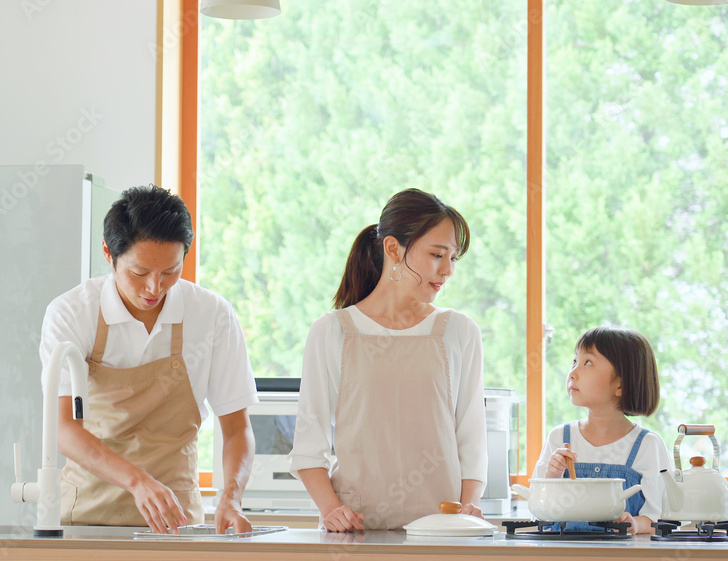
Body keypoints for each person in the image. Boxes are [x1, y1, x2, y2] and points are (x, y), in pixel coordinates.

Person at [39, 185, 258, 534]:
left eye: (170, 271)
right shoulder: (72, 312)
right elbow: (64, 429)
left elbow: (236, 429)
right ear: (108, 253)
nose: (154, 288)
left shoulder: (212, 314)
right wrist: (138, 481)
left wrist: (230, 498)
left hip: (176, 523)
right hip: (87, 518)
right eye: (139, 273)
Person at [289, 188, 488, 532]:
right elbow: (309, 446)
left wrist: (469, 508)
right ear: (393, 249)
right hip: (354, 535)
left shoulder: (460, 332)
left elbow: (471, 438)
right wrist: (332, 510)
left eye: (453, 258)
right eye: (437, 255)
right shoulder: (331, 331)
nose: (448, 270)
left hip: (442, 534)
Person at [532, 326, 673, 535]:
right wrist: (552, 475)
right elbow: (538, 509)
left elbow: (662, 517)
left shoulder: (647, 445)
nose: (572, 373)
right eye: (574, 361)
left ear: (621, 386)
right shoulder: (559, 437)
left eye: (588, 362)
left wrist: (633, 524)